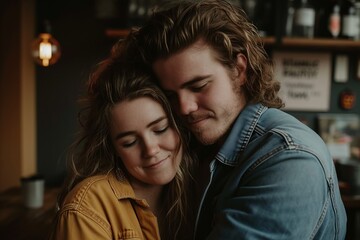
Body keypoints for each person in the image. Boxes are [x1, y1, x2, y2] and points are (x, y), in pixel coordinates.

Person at [134, 0, 347, 239]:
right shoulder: (196, 146)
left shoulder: (290, 157)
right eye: (171, 95)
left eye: (198, 86)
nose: (184, 107)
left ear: (239, 70)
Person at [48, 38, 195, 240]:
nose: (150, 149)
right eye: (129, 142)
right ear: (114, 148)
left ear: (178, 125)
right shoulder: (88, 206)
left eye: (160, 129)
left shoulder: (197, 190)